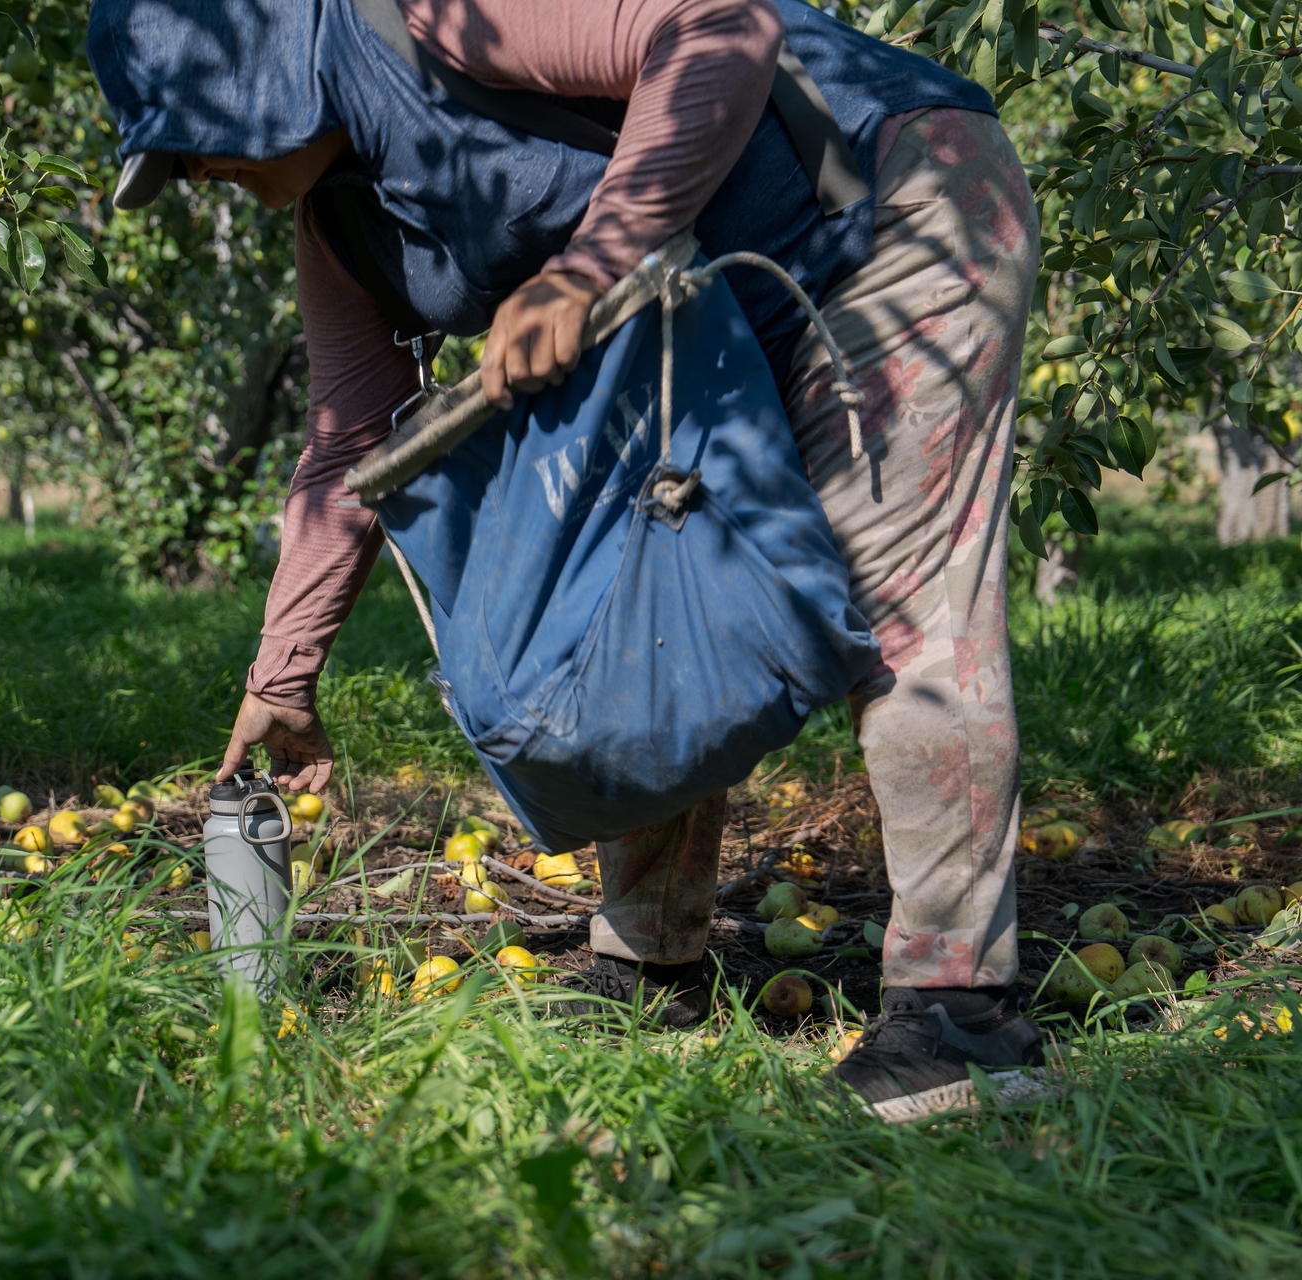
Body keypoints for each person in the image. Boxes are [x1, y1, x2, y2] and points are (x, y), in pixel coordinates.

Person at [89, 0, 1043, 1121]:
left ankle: (963, 1017)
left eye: (191, 139)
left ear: (257, 67)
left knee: (905, 594)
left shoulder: (434, 15)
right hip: (709, 312)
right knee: (634, 593)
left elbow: (719, 30)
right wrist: (281, 676)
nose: (194, 174)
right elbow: (349, 443)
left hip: (893, 214)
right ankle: (650, 964)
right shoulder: (341, 224)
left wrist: (585, 268)